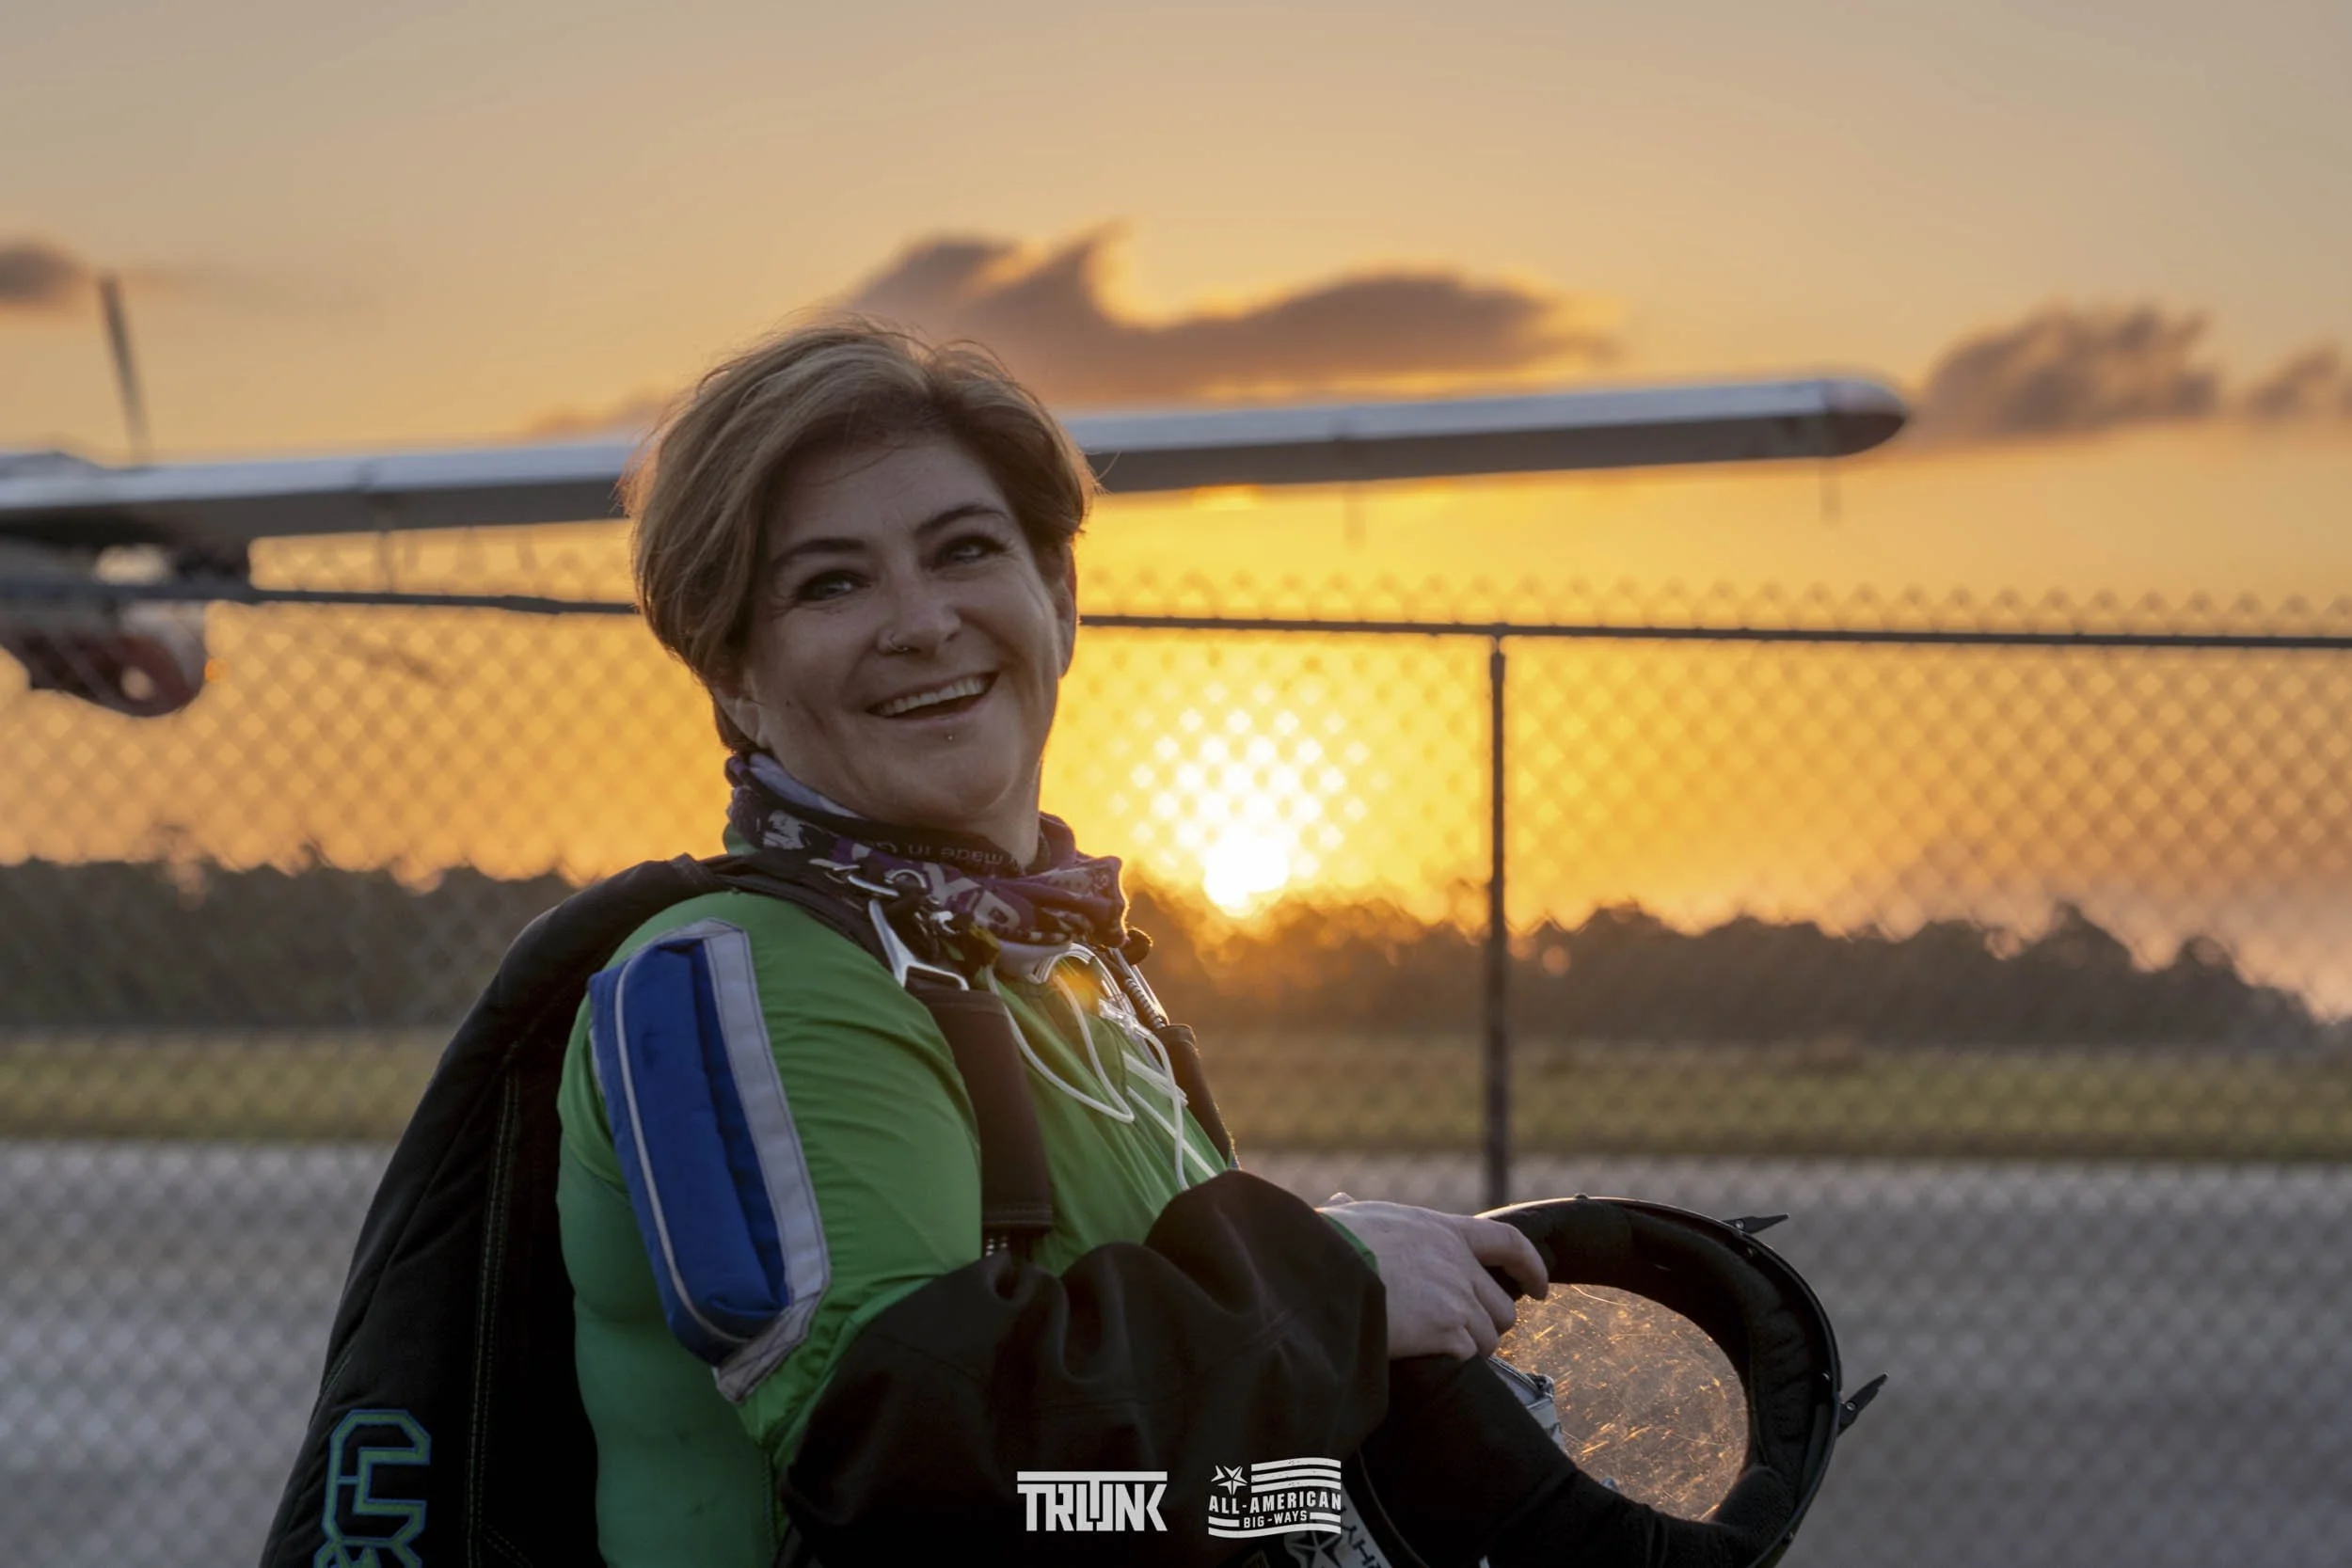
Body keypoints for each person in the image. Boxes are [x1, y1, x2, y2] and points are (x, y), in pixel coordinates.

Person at [553, 318, 1554, 1566]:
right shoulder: (746, 975)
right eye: (830, 582)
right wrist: (1323, 1293)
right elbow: (939, 1472)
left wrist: (1375, 1415)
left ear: (1061, 601)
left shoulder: (1068, 969)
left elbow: (1145, 1492)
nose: (920, 622)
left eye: (964, 551)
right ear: (737, 680)